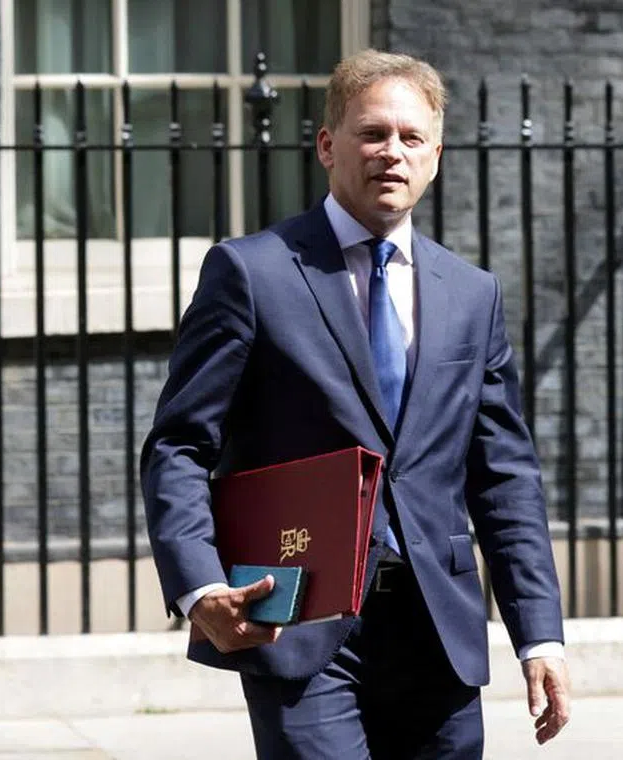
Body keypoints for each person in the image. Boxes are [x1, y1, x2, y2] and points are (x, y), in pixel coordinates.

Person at [141, 48, 570, 759]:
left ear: (435, 155)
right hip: (302, 617)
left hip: (439, 626)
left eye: (410, 138)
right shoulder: (251, 273)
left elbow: (505, 477)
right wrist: (201, 585)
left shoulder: (472, 295)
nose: (390, 153)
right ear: (327, 145)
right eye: (372, 134)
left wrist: (540, 633)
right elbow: (179, 445)